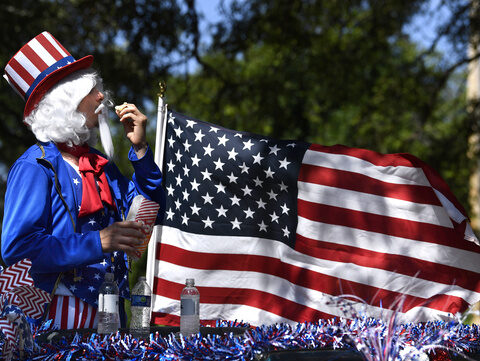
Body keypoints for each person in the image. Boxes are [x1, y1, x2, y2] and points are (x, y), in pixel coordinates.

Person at [1, 31, 166, 329]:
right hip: (55, 325)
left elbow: (147, 214)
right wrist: (98, 241)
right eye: (91, 90)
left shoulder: (100, 165)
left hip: (111, 319)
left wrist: (140, 151)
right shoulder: (34, 166)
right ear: (66, 100)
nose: (102, 96)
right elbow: (18, 250)